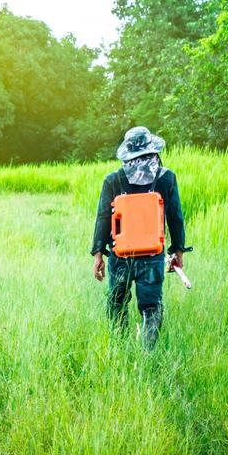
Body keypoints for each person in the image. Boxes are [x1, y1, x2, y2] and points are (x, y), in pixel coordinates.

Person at [91, 126, 187, 349]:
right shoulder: (166, 178)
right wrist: (178, 252)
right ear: (152, 149)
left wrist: (98, 254)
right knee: (151, 307)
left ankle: (119, 349)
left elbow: (103, 218)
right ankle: (148, 353)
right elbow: (176, 217)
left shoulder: (113, 180)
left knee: (116, 303)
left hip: (120, 256)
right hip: (152, 256)